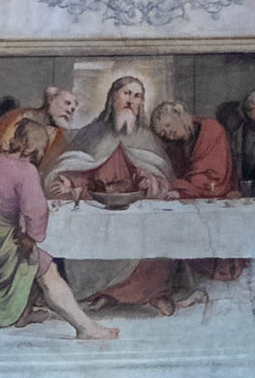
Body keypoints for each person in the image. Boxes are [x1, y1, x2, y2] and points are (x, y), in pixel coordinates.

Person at [0, 115, 118, 340]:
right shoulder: (25, 171)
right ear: (39, 148)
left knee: (32, 254)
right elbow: (37, 213)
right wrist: (32, 237)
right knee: (46, 266)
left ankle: (24, 314)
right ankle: (85, 327)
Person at [47, 76, 183, 313]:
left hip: (137, 205)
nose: (131, 100)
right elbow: (79, 170)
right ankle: (106, 292)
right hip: (97, 203)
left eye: (137, 96)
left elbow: (162, 177)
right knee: (89, 233)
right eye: (126, 93)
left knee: (154, 231)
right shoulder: (92, 133)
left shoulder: (146, 137)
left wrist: (149, 182)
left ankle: (153, 293)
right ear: (112, 97)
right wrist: (70, 183)